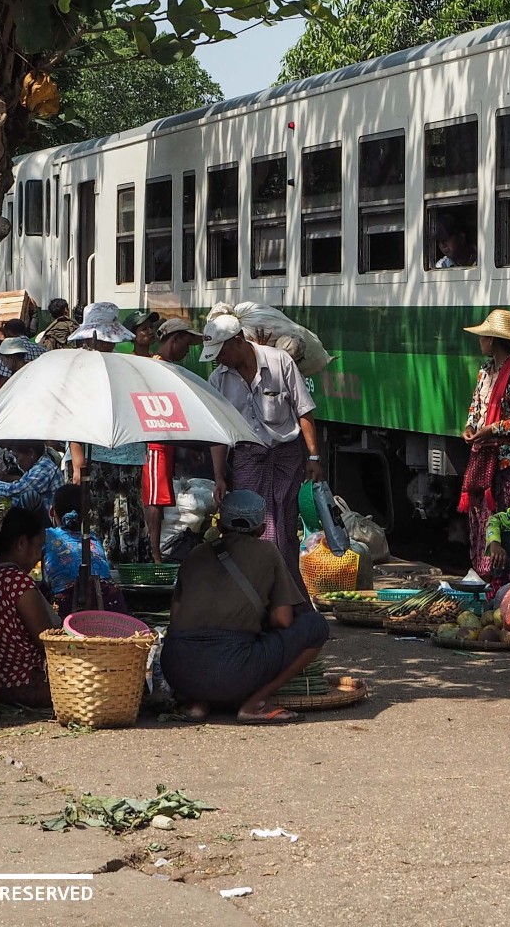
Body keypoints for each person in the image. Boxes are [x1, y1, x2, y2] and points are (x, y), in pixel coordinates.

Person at [161, 491, 334, 723]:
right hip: (233, 672)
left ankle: (195, 704)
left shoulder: (195, 554)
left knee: (197, 646)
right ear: (262, 530)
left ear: (220, 525)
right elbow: (282, 620)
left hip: (178, 669)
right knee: (315, 625)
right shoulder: (268, 551)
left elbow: (176, 618)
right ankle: (255, 704)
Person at [205, 309, 319, 584]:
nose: (219, 359)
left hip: (285, 457)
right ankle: (254, 589)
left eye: (221, 352)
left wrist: (314, 456)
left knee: (284, 528)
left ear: (237, 341)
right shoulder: (218, 379)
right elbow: (220, 434)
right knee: (249, 525)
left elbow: (304, 410)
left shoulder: (280, 362)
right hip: (246, 458)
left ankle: (286, 590)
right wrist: (219, 476)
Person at [460, 310, 510, 580]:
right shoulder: (485, 371)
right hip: (484, 455)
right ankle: (484, 572)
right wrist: (471, 426)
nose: (480, 340)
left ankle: (508, 575)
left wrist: (494, 429)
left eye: (483, 336)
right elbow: (476, 405)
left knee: (507, 514)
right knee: (481, 513)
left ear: (493, 340)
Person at [144, 316, 227, 561]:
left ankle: (155, 550)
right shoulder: (157, 367)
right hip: (156, 441)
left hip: (165, 440)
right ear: (175, 339)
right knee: (155, 499)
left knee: (160, 497)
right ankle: (156, 553)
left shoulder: (165, 366)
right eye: (186, 345)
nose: (187, 351)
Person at [0, 506, 58, 708]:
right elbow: (48, 641)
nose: (39, 556)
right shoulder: (18, 582)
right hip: (26, 682)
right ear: (22, 543)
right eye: (39, 546)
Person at [64, 303, 130, 483]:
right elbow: (72, 413)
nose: (110, 344)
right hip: (92, 458)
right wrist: (78, 459)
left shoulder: (124, 367)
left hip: (126, 456)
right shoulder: (80, 368)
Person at [42, 483, 122, 613]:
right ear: (87, 513)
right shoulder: (93, 538)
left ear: (52, 511)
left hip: (69, 602)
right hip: (110, 600)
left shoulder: (47, 536)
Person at [0, 439, 63, 516]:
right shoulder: (37, 466)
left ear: (31, 453)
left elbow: (22, 488)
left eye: (17, 457)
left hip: (49, 519)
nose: (16, 462)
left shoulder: (43, 469)